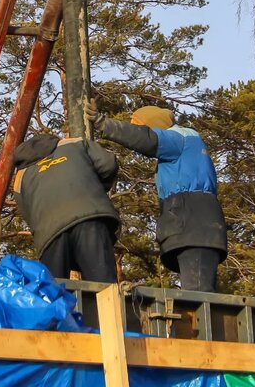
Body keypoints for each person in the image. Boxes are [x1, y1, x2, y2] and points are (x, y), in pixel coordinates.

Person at [94, 105, 227, 292]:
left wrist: (104, 124)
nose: (137, 131)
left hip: (193, 226)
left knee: (198, 296)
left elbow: (147, 139)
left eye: (139, 127)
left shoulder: (180, 137)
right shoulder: (181, 150)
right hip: (195, 226)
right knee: (197, 291)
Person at [12, 132, 120, 283]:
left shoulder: (20, 177)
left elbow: (28, 214)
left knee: (54, 291)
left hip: (49, 236)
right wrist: (95, 186)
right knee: (104, 287)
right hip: (89, 218)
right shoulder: (74, 143)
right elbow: (109, 164)